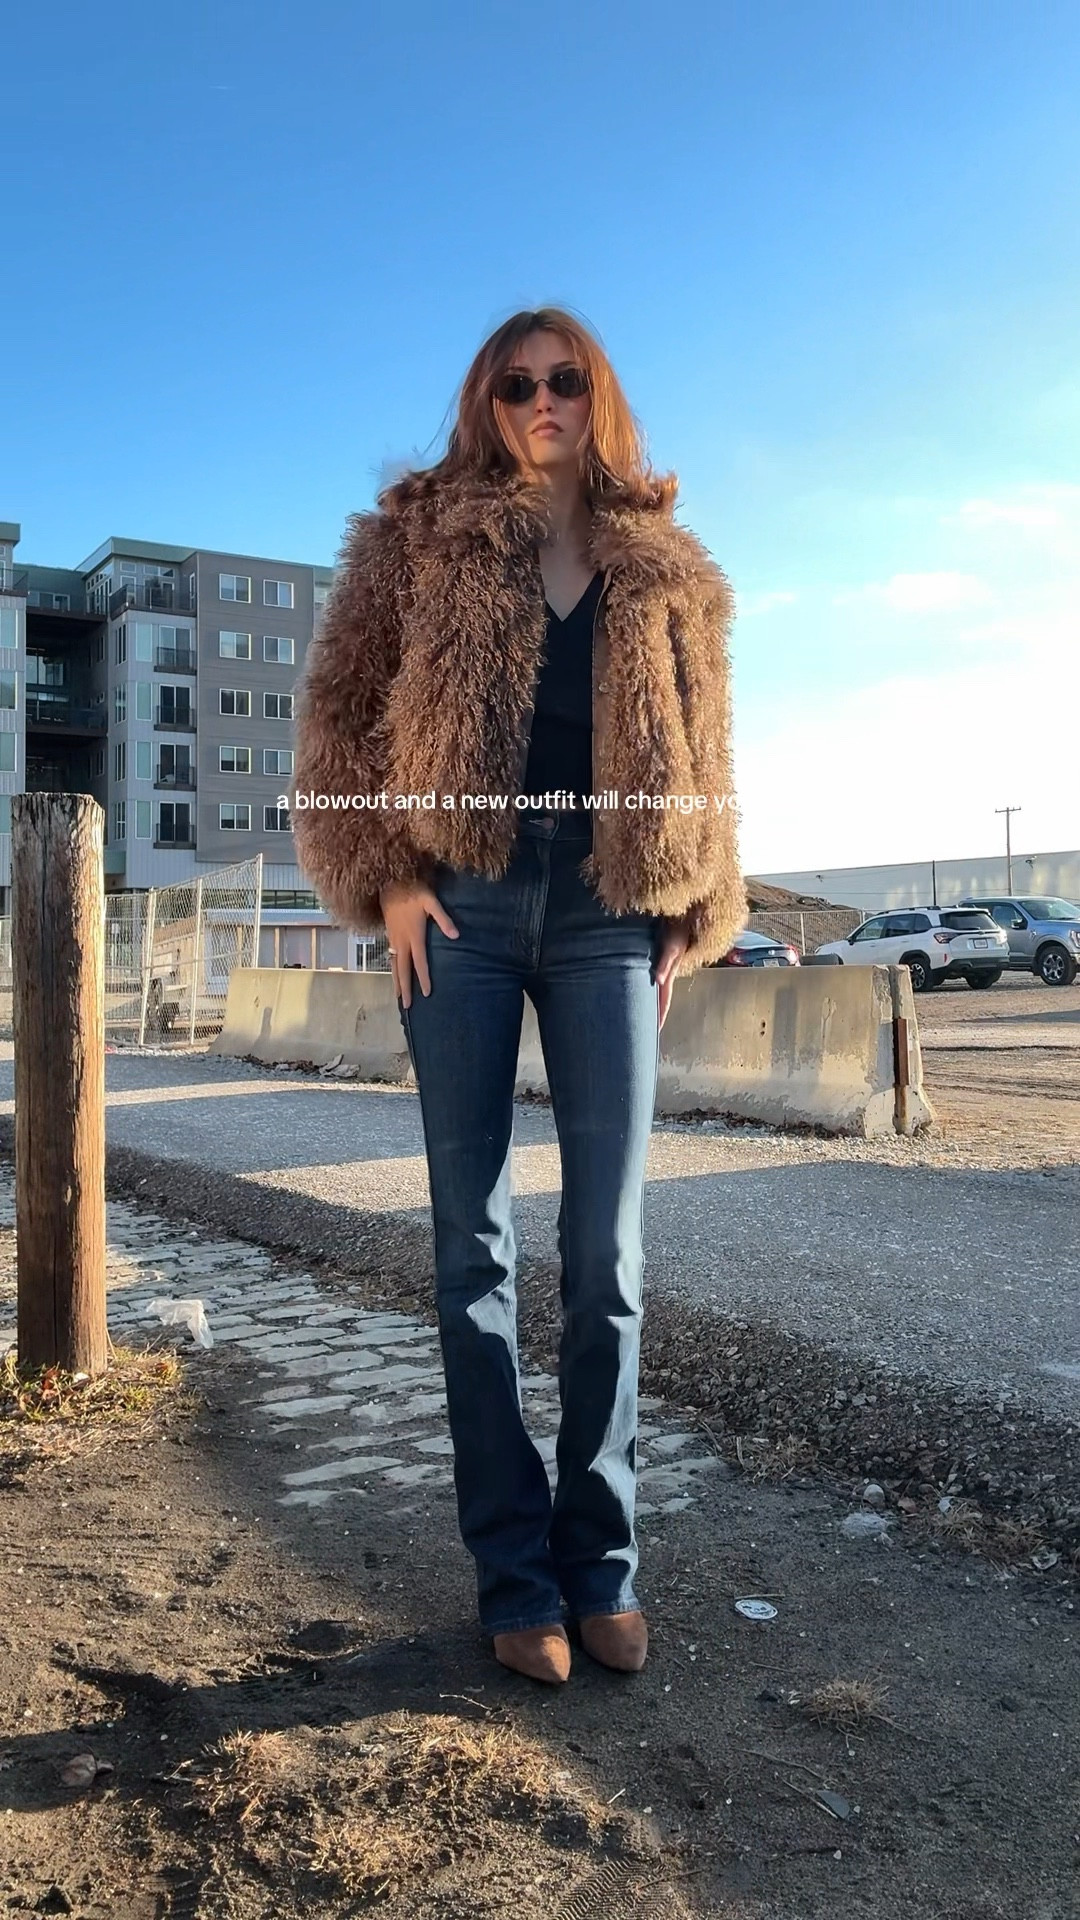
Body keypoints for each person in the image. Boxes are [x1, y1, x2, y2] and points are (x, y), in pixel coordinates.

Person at [290, 307, 743, 1686]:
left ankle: (601, 1561)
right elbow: (339, 715)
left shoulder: (662, 559)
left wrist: (698, 899)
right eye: (515, 384)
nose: (542, 400)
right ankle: (515, 1575)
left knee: (606, 1257)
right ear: (485, 404)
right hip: (466, 904)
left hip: (610, 906)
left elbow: (710, 745)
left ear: (599, 397)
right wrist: (385, 878)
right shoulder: (415, 540)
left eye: (565, 380)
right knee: (471, 1251)